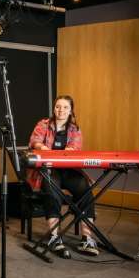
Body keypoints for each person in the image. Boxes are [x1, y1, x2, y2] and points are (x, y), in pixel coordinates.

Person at [28, 95, 99, 257]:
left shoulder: (75, 129)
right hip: (48, 169)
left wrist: (53, 151)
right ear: (54, 108)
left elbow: (74, 148)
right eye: (58, 107)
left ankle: (87, 239)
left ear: (71, 110)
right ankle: (54, 237)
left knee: (86, 190)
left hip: (69, 169)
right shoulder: (43, 124)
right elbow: (35, 142)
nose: (61, 110)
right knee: (52, 191)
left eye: (65, 107)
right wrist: (44, 149)